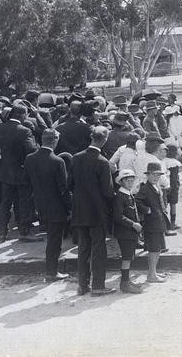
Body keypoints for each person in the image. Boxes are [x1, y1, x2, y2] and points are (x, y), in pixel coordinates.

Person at [71, 126, 116, 296]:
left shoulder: (76, 158)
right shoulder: (102, 161)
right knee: (98, 248)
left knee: (83, 249)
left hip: (80, 209)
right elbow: (107, 191)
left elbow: (70, 183)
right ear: (104, 140)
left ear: (91, 137)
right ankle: (98, 285)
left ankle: (82, 285)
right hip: (97, 211)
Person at [25, 129, 71, 282]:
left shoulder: (30, 158)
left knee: (51, 239)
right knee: (54, 241)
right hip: (57, 207)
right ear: (55, 140)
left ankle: (51, 270)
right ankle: (51, 272)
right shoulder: (58, 161)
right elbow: (63, 189)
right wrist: (70, 208)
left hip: (40, 205)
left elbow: (28, 182)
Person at [0, 104, 40, 242]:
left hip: (5, 170)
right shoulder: (24, 131)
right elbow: (31, 150)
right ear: (21, 115)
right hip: (21, 171)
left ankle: (2, 232)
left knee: (6, 203)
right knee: (24, 201)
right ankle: (24, 231)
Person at [135, 162, 169, 283]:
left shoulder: (156, 186)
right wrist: (147, 210)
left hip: (158, 222)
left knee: (158, 248)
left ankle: (153, 272)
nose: (156, 177)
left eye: (158, 175)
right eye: (154, 175)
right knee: (153, 249)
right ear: (148, 175)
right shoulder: (145, 188)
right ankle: (151, 275)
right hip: (152, 223)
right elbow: (137, 201)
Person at [112, 169, 144, 294]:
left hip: (130, 232)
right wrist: (133, 224)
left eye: (132, 180)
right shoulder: (119, 196)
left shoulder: (128, 194)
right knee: (126, 258)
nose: (130, 182)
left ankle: (127, 280)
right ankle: (124, 283)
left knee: (129, 257)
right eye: (127, 180)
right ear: (121, 182)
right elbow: (118, 216)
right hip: (124, 232)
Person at [164, 144, 182, 230]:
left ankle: (164, 223)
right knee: (173, 204)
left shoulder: (163, 161)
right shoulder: (174, 163)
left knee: (164, 204)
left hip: (164, 185)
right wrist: (176, 186)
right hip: (173, 186)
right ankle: (172, 223)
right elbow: (174, 177)